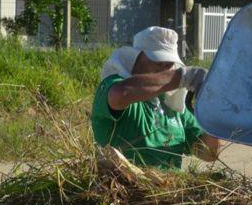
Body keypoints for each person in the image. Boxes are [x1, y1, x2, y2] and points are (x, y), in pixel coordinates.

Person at [91, 26, 221, 169]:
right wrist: (183, 77)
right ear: (136, 58)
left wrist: (212, 117)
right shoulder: (115, 85)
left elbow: (208, 154)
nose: (164, 68)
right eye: (158, 61)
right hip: (122, 186)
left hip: (167, 188)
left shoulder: (173, 104)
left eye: (169, 64)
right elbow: (121, 94)